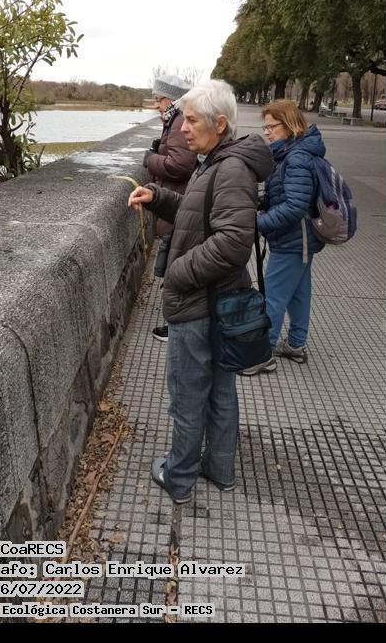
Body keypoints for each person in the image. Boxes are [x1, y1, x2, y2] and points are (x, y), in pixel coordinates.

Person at [128, 80, 273, 503]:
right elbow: (199, 214)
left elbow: (232, 242)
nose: (183, 128)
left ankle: (179, 477)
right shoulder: (217, 161)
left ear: (219, 123)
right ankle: (219, 469)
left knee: (189, 396)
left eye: (192, 121)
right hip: (216, 301)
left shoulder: (230, 169)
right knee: (220, 392)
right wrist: (157, 196)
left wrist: (177, 273)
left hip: (199, 304)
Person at [253, 99, 326, 372]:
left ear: (289, 125)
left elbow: (295, 206)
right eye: (265, 127)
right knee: (298, 293)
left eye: (271, 126)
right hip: (302, 239)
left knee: (273, 294)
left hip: (293, 239)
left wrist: (259, 222)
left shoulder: (295, 158)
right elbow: (290, 196)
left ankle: (262, 354)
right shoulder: (294, 152)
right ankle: (295, 344)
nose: (267, 132)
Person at [143, 75, 197, 342]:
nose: (156, 105)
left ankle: (175, 326)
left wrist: (151, 159)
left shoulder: (177, 122)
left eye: (158, 99)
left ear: (171, 99)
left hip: (178, 200)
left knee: (176, 266)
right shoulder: (175, 119)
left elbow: (180, 165)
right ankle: (175, 323)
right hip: (179, 199)